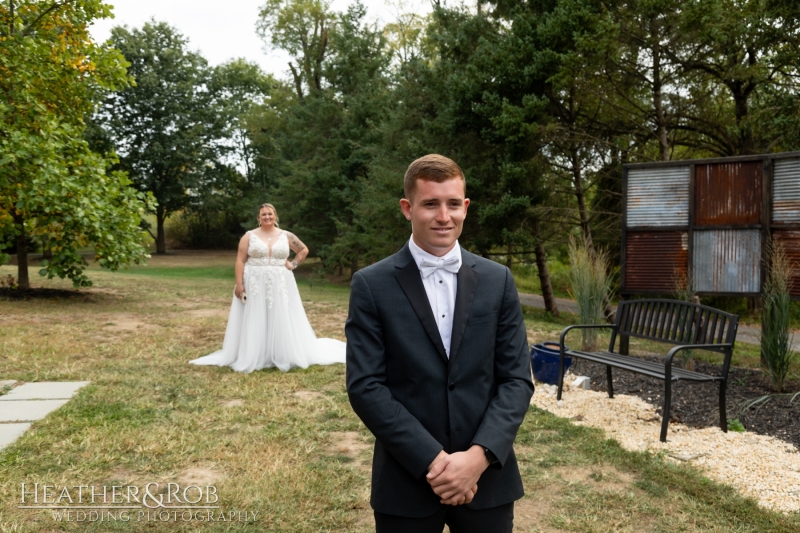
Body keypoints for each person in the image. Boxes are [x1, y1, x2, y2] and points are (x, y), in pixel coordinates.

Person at [345, 154, 534, 532]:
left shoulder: (498, 280)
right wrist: (435, 463)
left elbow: (516, 379)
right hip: (407, 481)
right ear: (407, 208)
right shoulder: (371, 284)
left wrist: (476, 459)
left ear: (465, 207)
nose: (443, 216)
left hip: (488, 480)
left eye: (452, 204)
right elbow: (366, 386)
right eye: (430, 203)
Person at [190, 203, 346, 373]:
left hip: (281, 281)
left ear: (275, 216)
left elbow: (303, 249)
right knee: (256, 315)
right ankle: (255, 353)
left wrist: (293, 264)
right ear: (259, 217)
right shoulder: (249, 236)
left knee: (281, 314)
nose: (267, 217)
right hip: (254, 281)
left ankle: (282, 352)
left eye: (270, 214)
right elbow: (240, 260)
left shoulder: (286, 235)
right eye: (263, 214)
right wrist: (240, 283)